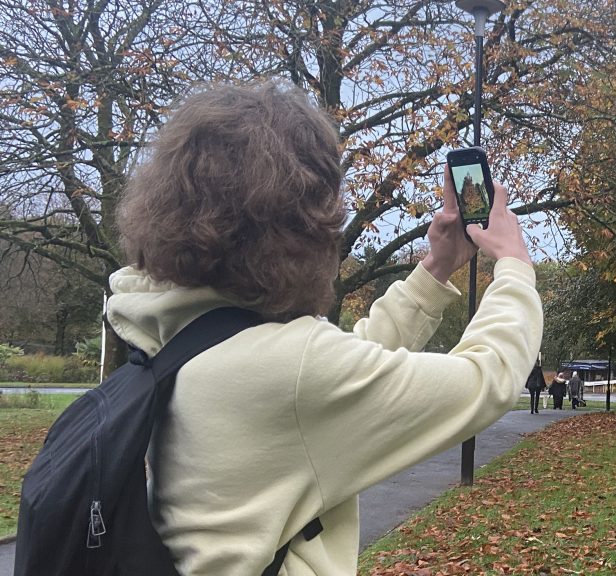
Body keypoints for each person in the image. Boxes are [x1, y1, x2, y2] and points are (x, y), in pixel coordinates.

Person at [108, 80, 542, 576]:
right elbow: (487, 380)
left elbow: (335, 369)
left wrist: (434, 269)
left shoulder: (174, 331)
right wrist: (514, 263)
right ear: (301, 220)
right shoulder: (288, 370)